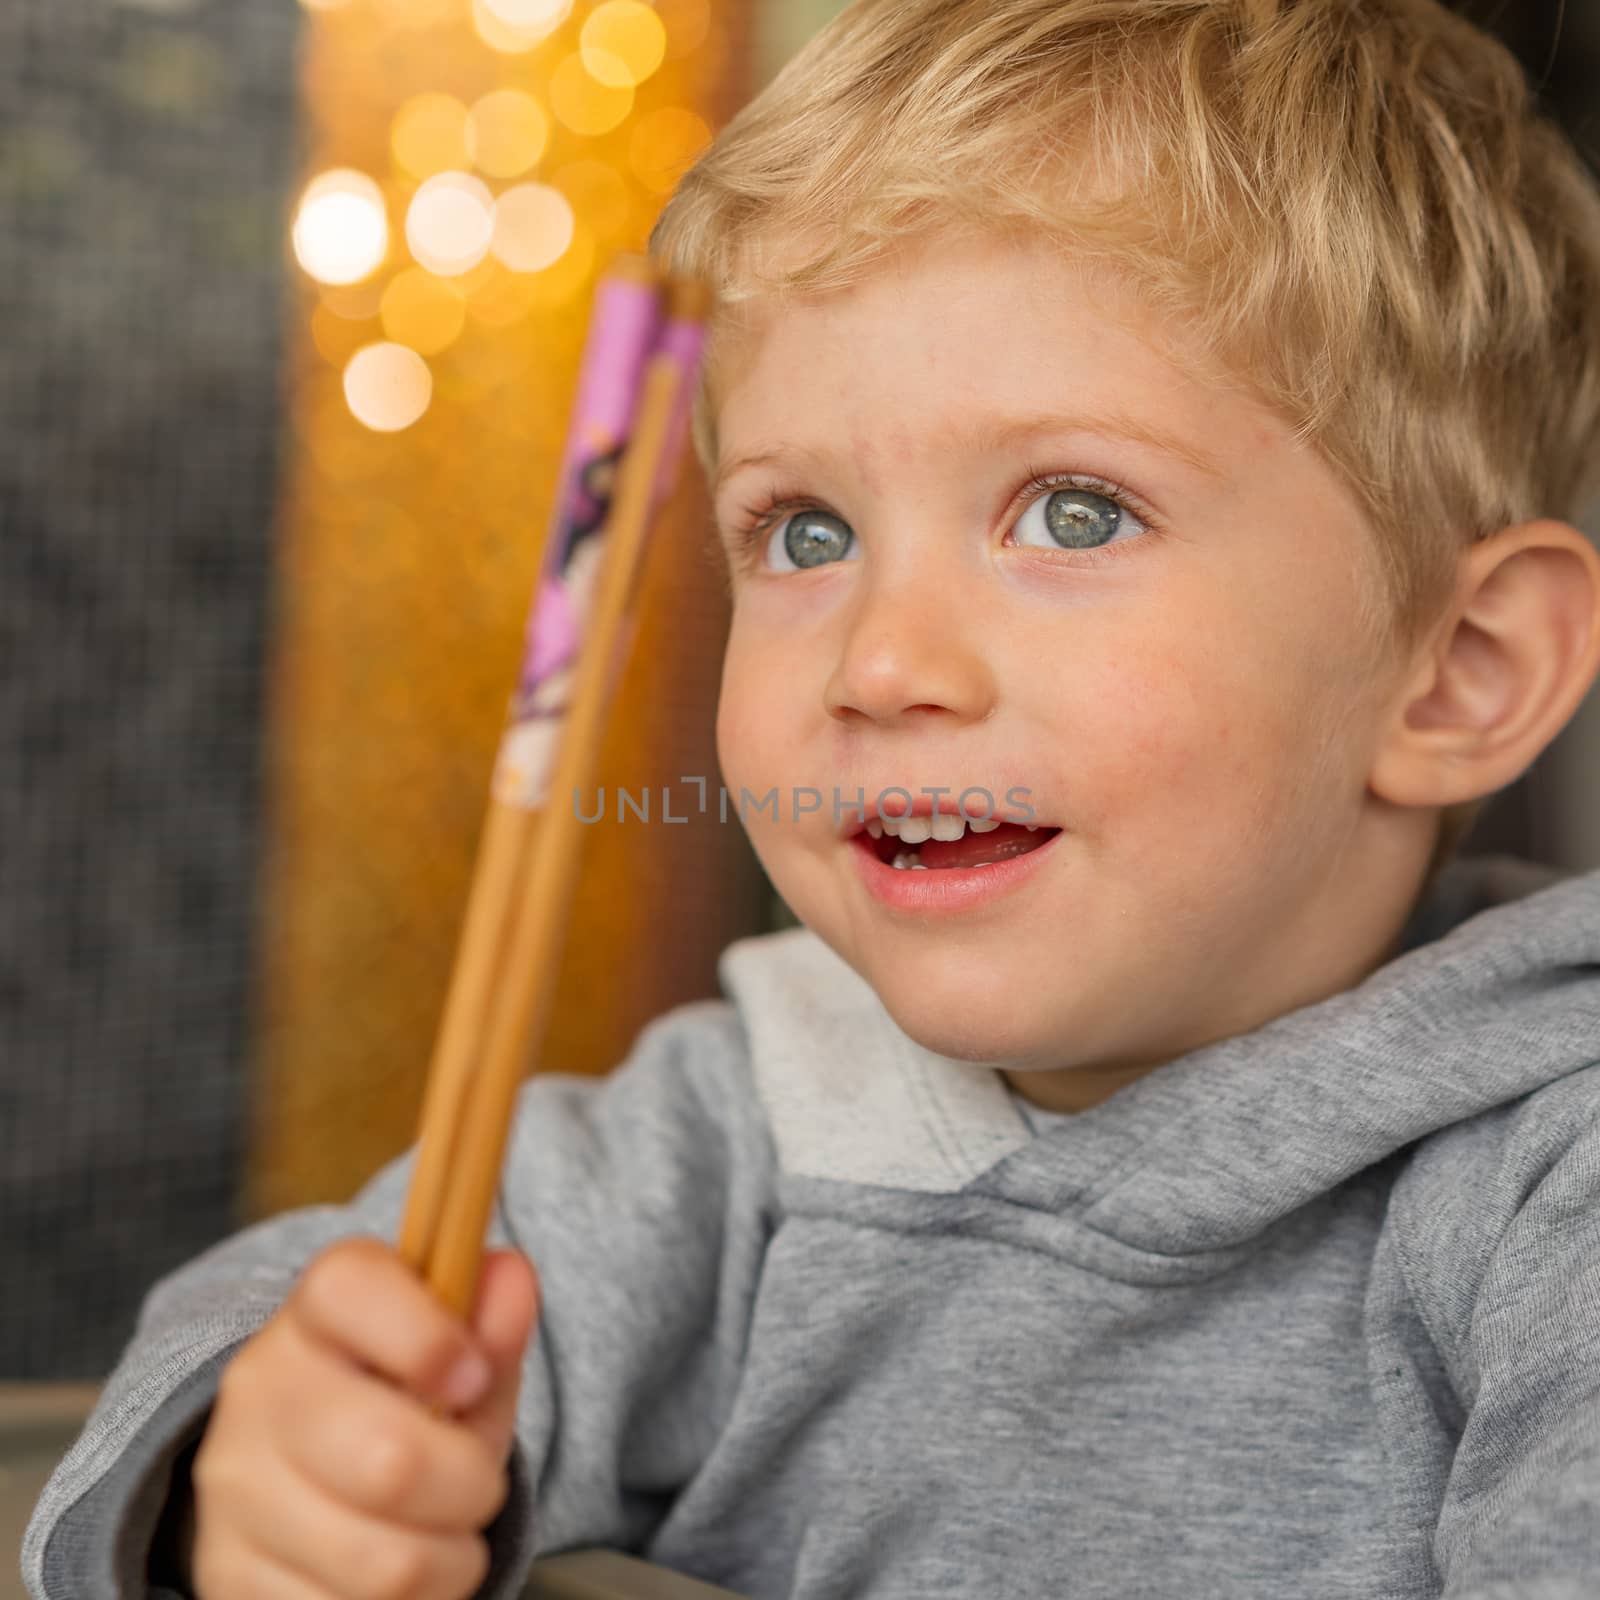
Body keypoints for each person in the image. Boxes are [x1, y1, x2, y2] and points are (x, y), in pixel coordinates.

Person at [25, 0, 1600, 1595]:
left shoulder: (1556, 1185)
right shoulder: (748, 1129)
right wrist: (258, 1477)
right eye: (804, 533)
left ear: (1459, 669)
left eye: (1070, 510)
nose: (881, 660)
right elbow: (287, 1319)